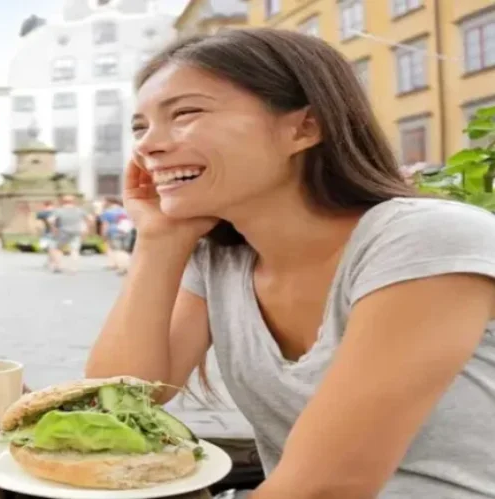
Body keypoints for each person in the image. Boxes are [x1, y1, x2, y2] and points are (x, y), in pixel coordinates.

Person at [85, 28, 495, 499]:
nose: (147, 146)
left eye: (185, 113)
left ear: (304, 128)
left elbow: (331, 486)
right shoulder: (222, 259)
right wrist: (159, 242)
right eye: (140, 127)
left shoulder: (424, 238)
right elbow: (114, 404)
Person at [46, 195, 90, 273]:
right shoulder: (79, 210)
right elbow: (90, 218)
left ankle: (59, 266)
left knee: (58, 248)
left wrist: (54, 228)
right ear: (74, 201)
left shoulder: (59, 210)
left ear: (63, 202)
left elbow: (50, 220)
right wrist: (87, 228)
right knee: (74, 249)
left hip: (63, 231)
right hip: (76, 231)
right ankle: (74, 268)